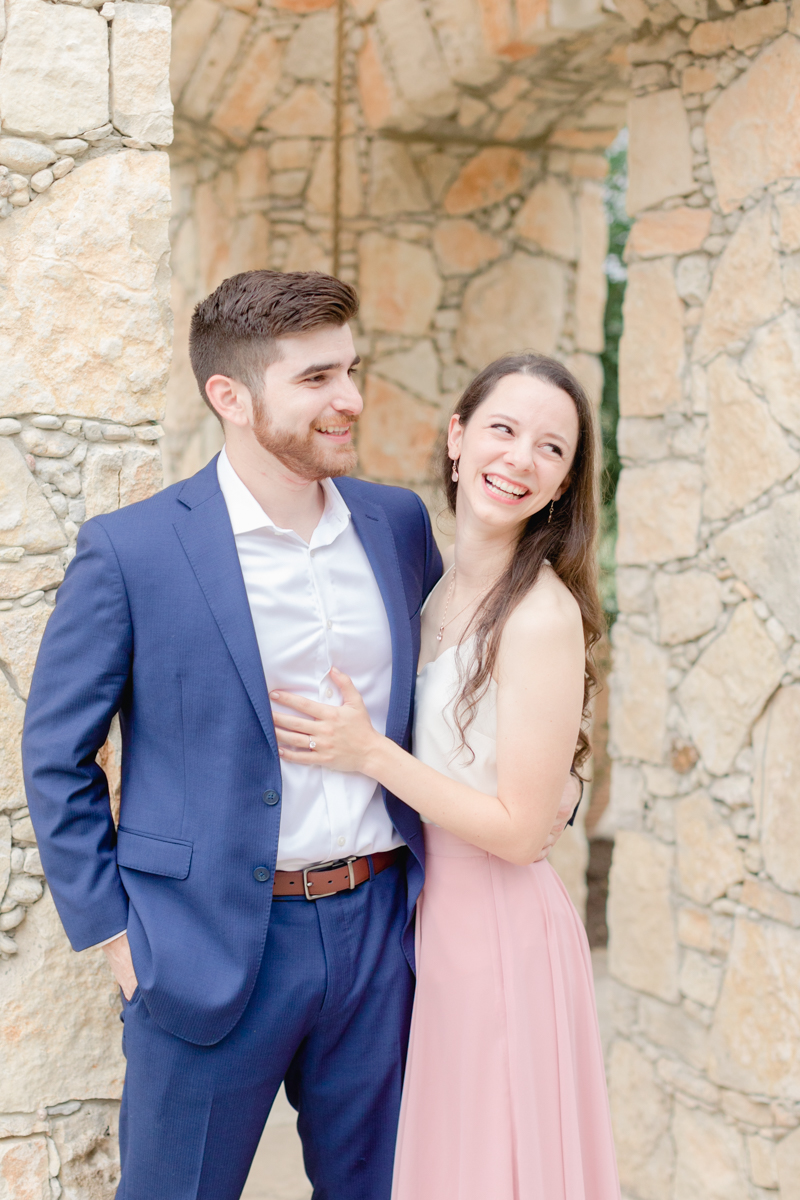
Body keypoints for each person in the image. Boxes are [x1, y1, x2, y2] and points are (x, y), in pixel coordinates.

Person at [22, 272, 579, 1200]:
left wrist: (553, 781)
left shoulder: (395, 524)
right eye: (317, 378)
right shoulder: (133, 552)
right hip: (202, 947)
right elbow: (56, 755)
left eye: (351, 370)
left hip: (381, 937)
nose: (350, 399)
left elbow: (464, 682)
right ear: (230, 398)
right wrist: (118, 938)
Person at [271, 353, 620, 1200]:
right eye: (503, 429)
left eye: (551, 448)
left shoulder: (540, 614)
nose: (520, 459)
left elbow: (521, 829)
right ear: (458, 439)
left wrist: (369, 755)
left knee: (486, 1169)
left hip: (499, 931)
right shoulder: (432, 589)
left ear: (565, 482)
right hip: (426, 920)